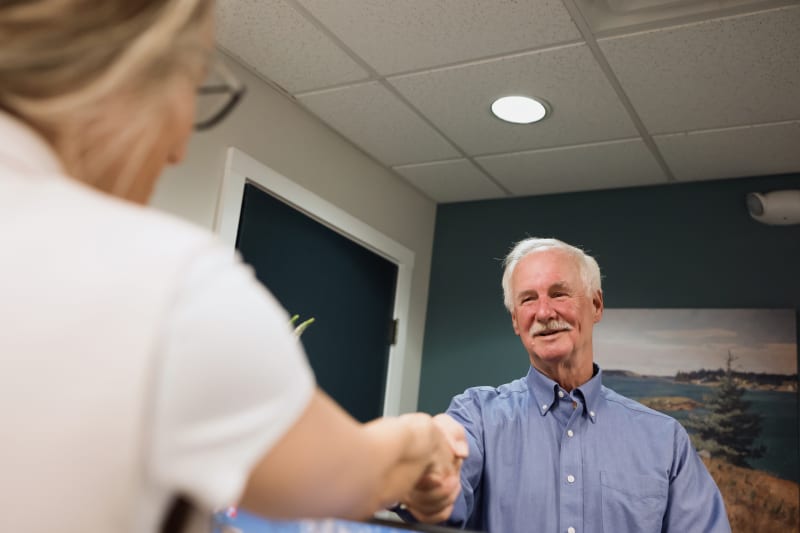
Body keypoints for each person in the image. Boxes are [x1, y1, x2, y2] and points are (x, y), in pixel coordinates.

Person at [0, 1, 466, 532]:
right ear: (132, 64)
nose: (178, 151)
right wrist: (423, 441)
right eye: (192, 87)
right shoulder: (167, 283)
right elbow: (353, 477)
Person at [400, 237, 731, 532]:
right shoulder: (477, 417)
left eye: (559, 294)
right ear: (516, 320)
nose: (544, 312)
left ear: (596, 305)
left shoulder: (664, 439)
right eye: (528, 299)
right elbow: (436, 497)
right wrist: (421, 474)